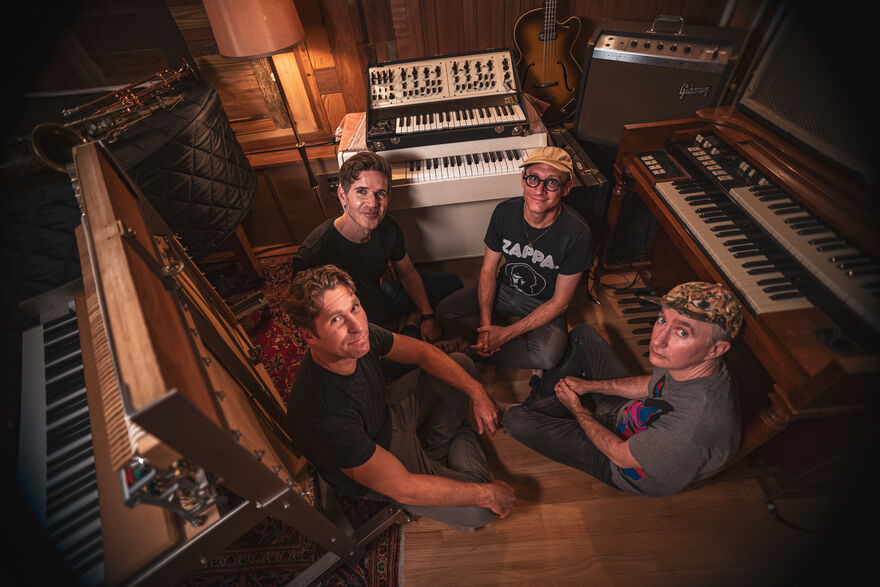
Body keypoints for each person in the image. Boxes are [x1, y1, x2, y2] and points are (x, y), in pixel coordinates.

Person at [284, 265, 515, 531]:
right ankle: (455, 441)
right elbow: (403, 487)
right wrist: (489, 494)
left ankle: (438, 451)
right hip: (379, 457)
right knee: (481, 512)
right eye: (336, 320)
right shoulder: (323, 416)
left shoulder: (361, 334)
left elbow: (423, 354)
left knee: (461, 364)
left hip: (386, 414)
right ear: (308, 335)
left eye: (354, 307)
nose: (356, 326)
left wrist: (477, 392)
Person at [502, 282, 744, 497]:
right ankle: (542, 409)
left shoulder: (693, 427)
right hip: (629, 415)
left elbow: (620, 455)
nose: (658, 340)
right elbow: (651, 385)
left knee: (515, 421)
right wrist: (590, 386)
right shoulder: (692, 363)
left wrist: (576, 408)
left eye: (682, 332)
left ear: (716, 350)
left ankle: (541, 412)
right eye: (662, 320)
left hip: (619, 466)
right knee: (583, 336)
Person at [436, 146, 592, 370]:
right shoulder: (504, 212)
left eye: (552, 182)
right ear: (523, 179)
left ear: (566, 188)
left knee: (547, 357)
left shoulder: (578, 233)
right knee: (445, 312)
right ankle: (487, 339)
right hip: (504, 289)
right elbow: (489, 270)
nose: (539, 190)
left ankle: (475, 350)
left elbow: (560, 302)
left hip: (542, 303)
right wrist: (486, 323)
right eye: (533, 179)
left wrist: (507, 333)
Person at [292, 151, 461, 343]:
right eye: (361, 192)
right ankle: (409, 326)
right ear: (342, 195)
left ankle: (407, 325)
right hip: (351, 322)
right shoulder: (312, 253)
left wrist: (427, 315)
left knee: (452, 282)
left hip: (380, 299)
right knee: (402, 364)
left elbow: (407, 273)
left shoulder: (388, 228)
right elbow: (306, 316)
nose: (372, 203)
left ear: (388, 197)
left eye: (380, 194)